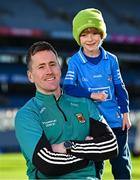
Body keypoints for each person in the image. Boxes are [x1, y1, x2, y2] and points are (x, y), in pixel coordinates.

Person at [15, 41, 118, 179]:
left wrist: (68, 147)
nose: (49, 71)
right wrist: (91, 153)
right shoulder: (27, 114)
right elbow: (48, 164)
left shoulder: (84, 104)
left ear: (59, 67)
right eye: (41, 67)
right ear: (30, 76)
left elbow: (111, 146)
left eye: (52, 64)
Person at [63, 8, 132, 179]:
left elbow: (119, 87)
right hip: (92, 123)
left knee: (121, 163)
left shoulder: (112, 59)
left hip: (115, 121)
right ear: (78, 38)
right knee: (95, 166)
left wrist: (125, 113)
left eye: (95, 33)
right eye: (84, 34)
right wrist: (91, 94)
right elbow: (68, 88)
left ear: (102, 35)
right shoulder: (75, 61)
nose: (90, 38)